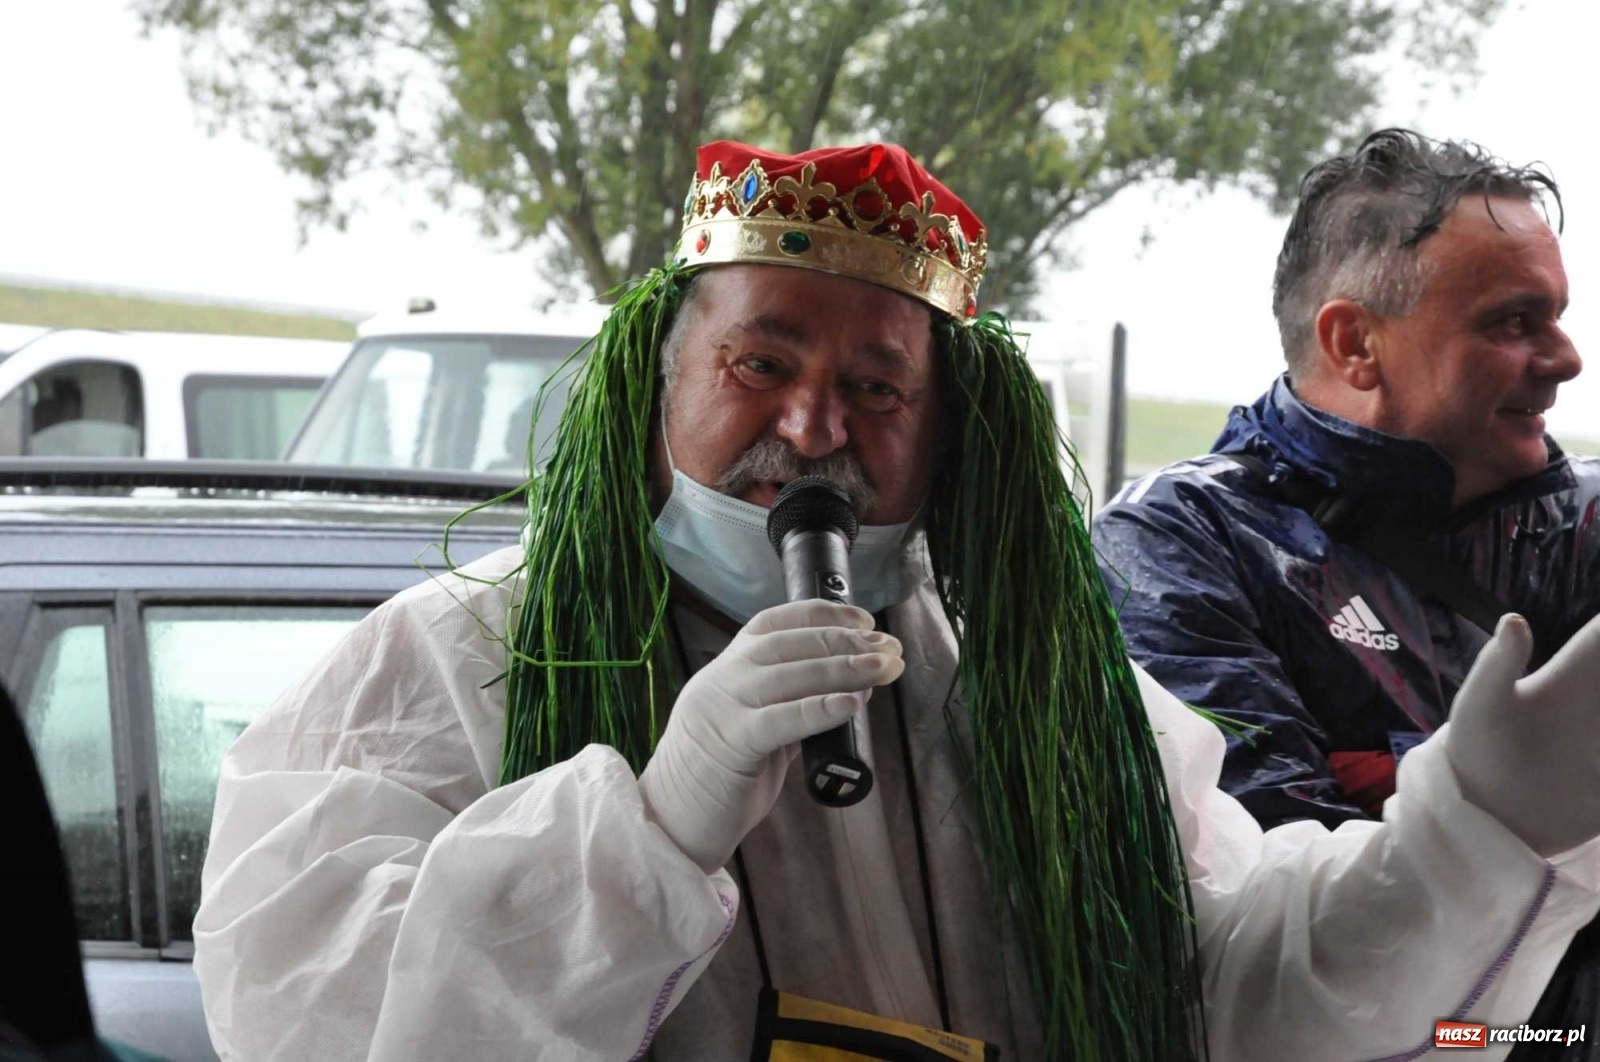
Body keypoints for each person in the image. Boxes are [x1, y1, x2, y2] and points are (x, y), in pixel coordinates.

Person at [195, 139, 1600, 1062]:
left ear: (942, 434)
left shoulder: (1049, 700)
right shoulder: (447, 661)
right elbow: (314, 1014)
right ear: (656, 384)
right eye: (761, 363)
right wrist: (648, 828)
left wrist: (1475, 835)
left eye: (877, 388)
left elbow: (1239, 989)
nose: (815, 430)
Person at [1093, 128, 1600, 1054]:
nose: (1566, 358)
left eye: (1558, 316)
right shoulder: (1178, 544)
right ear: (1355, 342)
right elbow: (1278, 918)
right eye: (1514, 322)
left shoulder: (1583, 528)